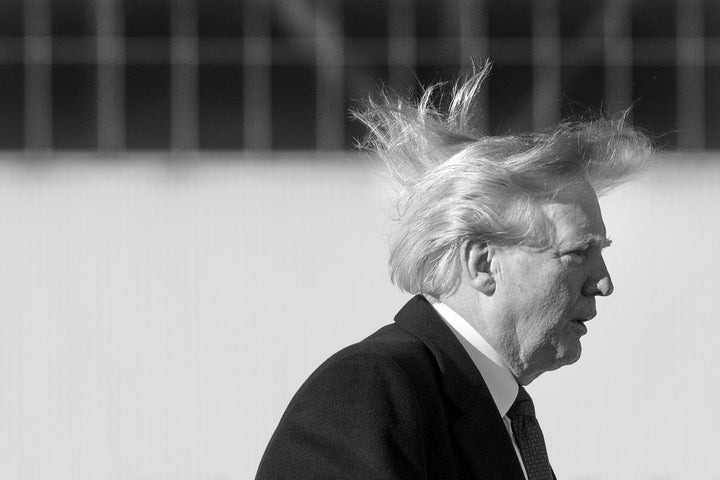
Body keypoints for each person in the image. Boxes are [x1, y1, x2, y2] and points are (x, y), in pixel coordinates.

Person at [255, 64, 651, 480]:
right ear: (482, 264)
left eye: (601, 251)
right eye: (577, 252)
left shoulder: (495, 415)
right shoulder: (369, 392)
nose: (604, 283)